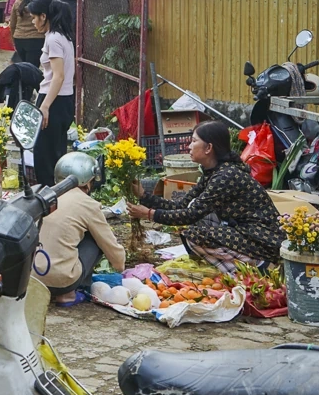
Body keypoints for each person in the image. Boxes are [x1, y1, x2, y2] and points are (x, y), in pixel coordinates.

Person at [128, 121, 283, 271]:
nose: (189, 146)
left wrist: (148, 214)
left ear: (208, 148)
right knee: (200, 213)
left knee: (194, 236)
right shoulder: (213, 171)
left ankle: (258, 267)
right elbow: (182, 206)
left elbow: (189, 215)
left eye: (194, 141)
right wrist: (144, 195)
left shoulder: (225, 176)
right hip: (243, 229)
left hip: (262, 239)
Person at [35, 152, 126, 305]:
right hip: (62, 281)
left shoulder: (44, 196)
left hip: (33, 279)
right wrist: (120, 266)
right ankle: (68, 294)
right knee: (95, 238)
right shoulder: (87, 204)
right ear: (87, 180)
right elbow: (109, 244)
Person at [27, 0, 76, 187]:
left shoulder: (54, 39)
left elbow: (58, 76)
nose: (33, 22)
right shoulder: (63, 36)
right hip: (64, 100)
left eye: (34, 17)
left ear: (43, 16)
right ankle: (58, 193)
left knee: (44, 157)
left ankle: (47, 196)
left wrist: (45, 106)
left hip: (53, 100)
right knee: (56, 153)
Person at [9, 0, 48, 68]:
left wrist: (14, 40)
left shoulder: (19, 0)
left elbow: (12, 23)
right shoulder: (43, 1)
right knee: (32, 69)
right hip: (36, 40)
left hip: (19, 39)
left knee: (23, 69)